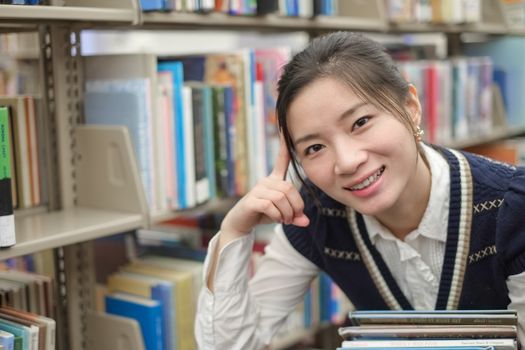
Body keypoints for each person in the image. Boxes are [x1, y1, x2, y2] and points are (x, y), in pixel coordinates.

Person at [195, 31, 525, 349]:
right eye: (314, 148)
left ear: (410, 107)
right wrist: (234, 229)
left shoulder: (510, 209)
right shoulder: (317, 216)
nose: (347, 162)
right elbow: (232, 346)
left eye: (360, 122)